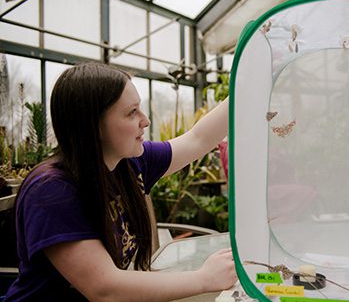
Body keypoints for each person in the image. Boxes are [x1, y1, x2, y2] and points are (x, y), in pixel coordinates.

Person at [5, 62, 236, 301]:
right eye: (131, 112)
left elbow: (197, 139)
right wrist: (204, 279)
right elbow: (104, 288)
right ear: (94, 126)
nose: (145, 120)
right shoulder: (51, 190)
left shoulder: (128, 162)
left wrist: (245, 84)